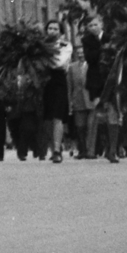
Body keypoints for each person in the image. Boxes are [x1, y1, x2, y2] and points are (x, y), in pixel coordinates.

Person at [43, 18, 73, 163]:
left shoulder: (65, 45)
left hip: (58, 80)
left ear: (60, 32)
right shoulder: (41, 45)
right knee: (46, 118)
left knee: (57, 115)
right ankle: (54, 146)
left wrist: (43, 59)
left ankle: (56, 150)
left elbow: (59, 63)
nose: (52, 31)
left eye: (55, 29)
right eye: (50, 28)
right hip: (44, 81)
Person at [68, 42, 92, 159]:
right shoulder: (71, 67)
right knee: (80, 127)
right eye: (78, 53)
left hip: (91, 100)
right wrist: (70, 102)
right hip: (77, 100)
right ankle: (82, 151)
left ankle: (93, 150)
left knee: (92, 126)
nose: (81, 54)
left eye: (83, 52)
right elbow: (69, 87)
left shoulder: (93, 65)